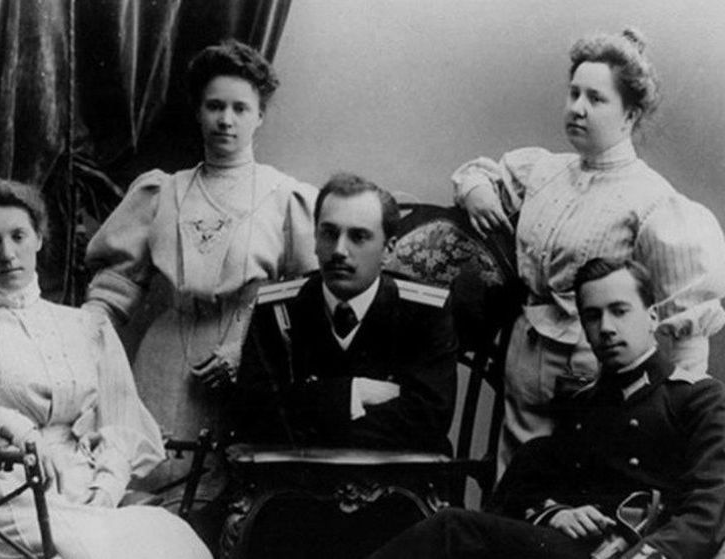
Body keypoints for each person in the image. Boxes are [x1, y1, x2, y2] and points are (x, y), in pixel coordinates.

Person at [451, 27, 725, 467]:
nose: (577, 108)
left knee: (580, 479)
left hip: (594, 367)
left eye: (596, 99)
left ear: (629, 115)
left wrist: (682, 411)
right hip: (523, 357)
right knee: (515, 475)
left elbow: (686, 329)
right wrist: (476, 191)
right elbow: (479, 175)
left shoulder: (652, 201)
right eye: (574, 93)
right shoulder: (545, 172)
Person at [0, 180, 211, 559]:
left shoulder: (85, 326)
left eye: (18, 236)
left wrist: (107, 485)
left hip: (85, 488)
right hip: (11, 495)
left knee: (173, 536)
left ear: (39, 239)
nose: (7, 253)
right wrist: (12, 425)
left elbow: (120, 420)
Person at [366, 257, 725, 559]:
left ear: (652, 316)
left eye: (620, 311)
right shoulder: (584, 404)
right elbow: (530, 488)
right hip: (574, 548)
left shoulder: (697, 398)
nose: (606, 328)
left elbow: (709, 511)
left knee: (452, 529)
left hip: (643, 551)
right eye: (592, 316)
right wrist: (556, 513)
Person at [83, 40, 318, 496]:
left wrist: (247, 346)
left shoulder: (285, 197)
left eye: (240, 108)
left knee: (234, 492)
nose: (226, 120)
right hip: (165, 360)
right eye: (214, 106)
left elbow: (305, 294)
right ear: (198, 111)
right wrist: (83, 334)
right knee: (155, 483)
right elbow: (115, 282)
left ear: (260, 115)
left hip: (251, 361)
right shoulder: (163, 191)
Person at [232, 172, 458, 455]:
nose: (339, 251)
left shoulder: (424, 311)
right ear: (315, 239)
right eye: (329, 233)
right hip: (298, 478)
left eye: (358, 236)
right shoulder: (277, 307)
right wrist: (354, 393)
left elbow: (429, 424)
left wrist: (305, 407)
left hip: (394, 477)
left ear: (388, 250)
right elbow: (251, 417)